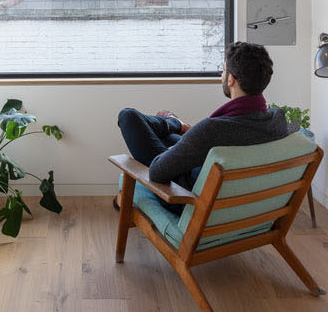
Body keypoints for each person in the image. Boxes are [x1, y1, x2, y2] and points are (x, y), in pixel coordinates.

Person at [117, 41, 290, 210]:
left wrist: (172, 151)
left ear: (231, 80)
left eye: (223, 71)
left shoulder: (212, 129)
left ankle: (173, 123)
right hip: (244, 204)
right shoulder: (278, 119)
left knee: (128, 117)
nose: (221, 76)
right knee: (169, 137)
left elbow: (157, 172)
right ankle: (174, 124)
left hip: (184, 197)